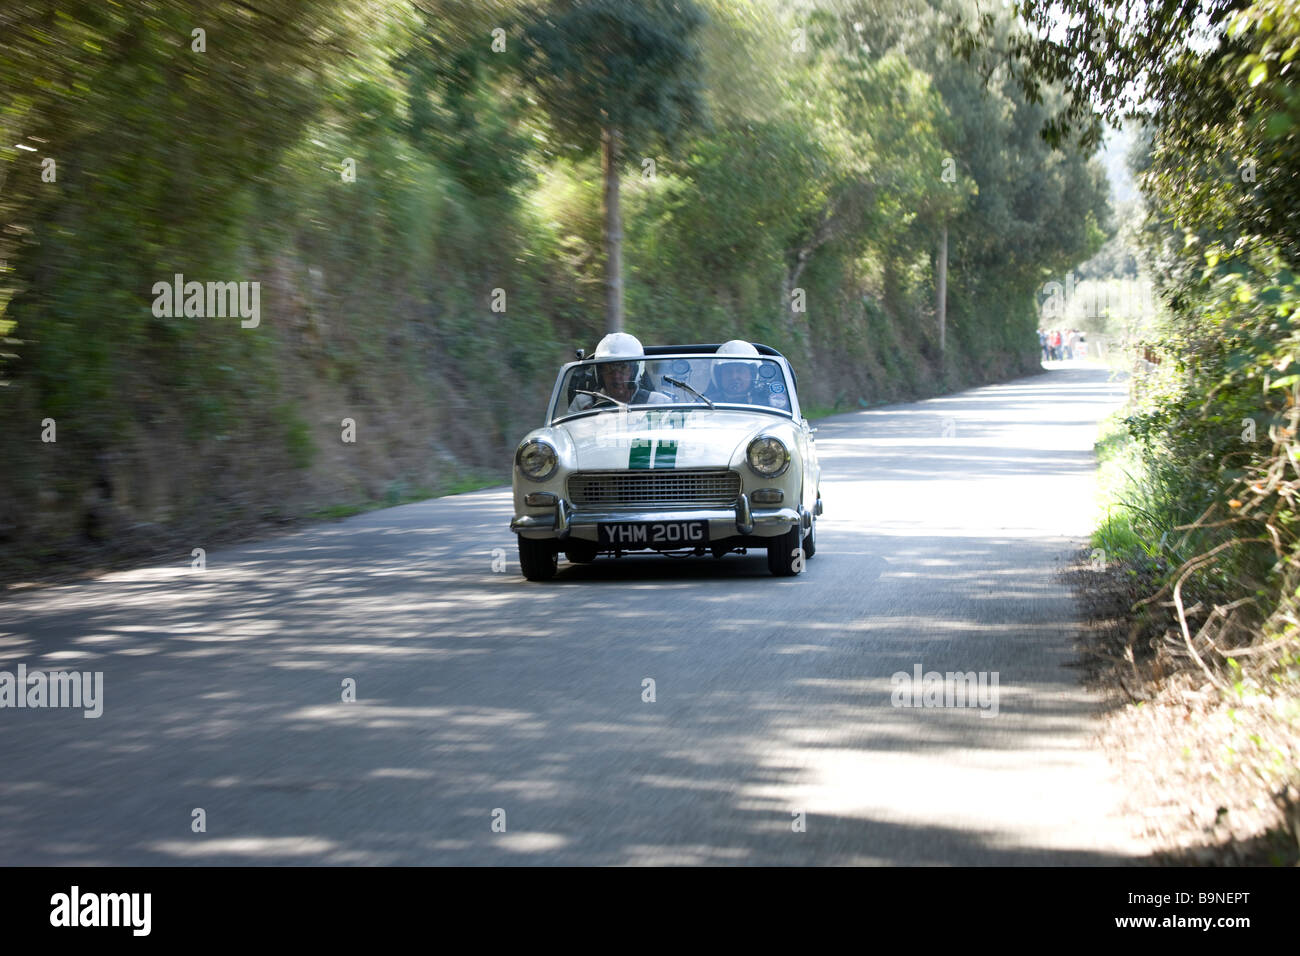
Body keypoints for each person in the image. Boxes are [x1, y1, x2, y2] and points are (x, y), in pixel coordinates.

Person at [567, 332, 670, 412]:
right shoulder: (582, 403)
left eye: (623, 367)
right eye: (609, 369)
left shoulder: (658, 403)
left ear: (635, 371)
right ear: (600, 373)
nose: (616, 375)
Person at [704, 339, 779, 406]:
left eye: (740, 371)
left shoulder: (767, 404)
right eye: (728, 371)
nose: (734, 376)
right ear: (719, 375)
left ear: (752, 373)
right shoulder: (704, 403)